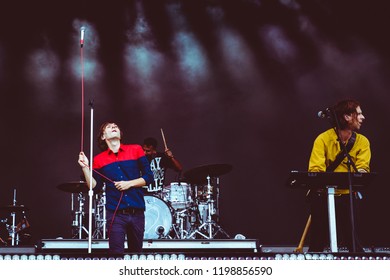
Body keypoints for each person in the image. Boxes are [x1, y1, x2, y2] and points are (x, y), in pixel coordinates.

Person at [78, 122, 153, 255]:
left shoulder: (135, 149)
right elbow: (94, 187)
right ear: (103, 136)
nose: (114, 127)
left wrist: (128, 183)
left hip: (137, 212)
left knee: (136, 254)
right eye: (109, 127)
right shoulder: (99, 159)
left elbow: (149, 177)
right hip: (115, 214)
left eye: (116, 126)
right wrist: (85, 167)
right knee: (116, 254)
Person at [307, 99, 371, 252]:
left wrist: (359, 175)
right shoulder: (322, 139)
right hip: (323, 195)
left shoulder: (362, 142)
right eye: (359, 114)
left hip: (347, 196)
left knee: (353, 242)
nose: (363, 117)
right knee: (317, 242)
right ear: (347, 117)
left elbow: (362, 169)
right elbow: (316, 169)